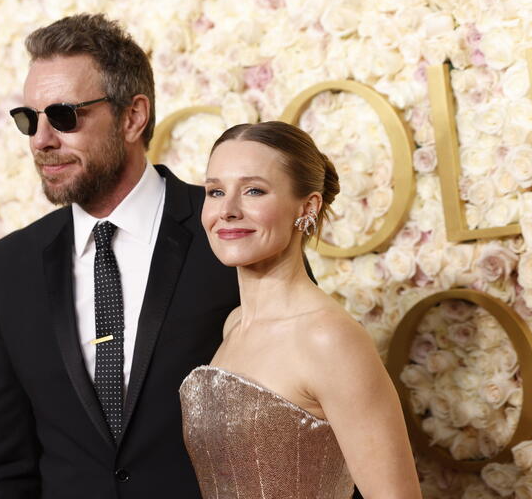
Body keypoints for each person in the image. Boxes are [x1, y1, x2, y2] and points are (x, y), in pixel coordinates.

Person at [0, 14, 240, 498]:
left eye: (64, 117)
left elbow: (309, 422)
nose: (41, 140)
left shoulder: (232, 232)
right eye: (29, 120)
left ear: (133, 117)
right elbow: (5, 462)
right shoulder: (6, 269)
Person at [180, 121, 422, 499]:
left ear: (307, 206)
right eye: (215, 192)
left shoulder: (328, 338)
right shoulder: (235, 325)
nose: (226, 210)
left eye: (254, 190)